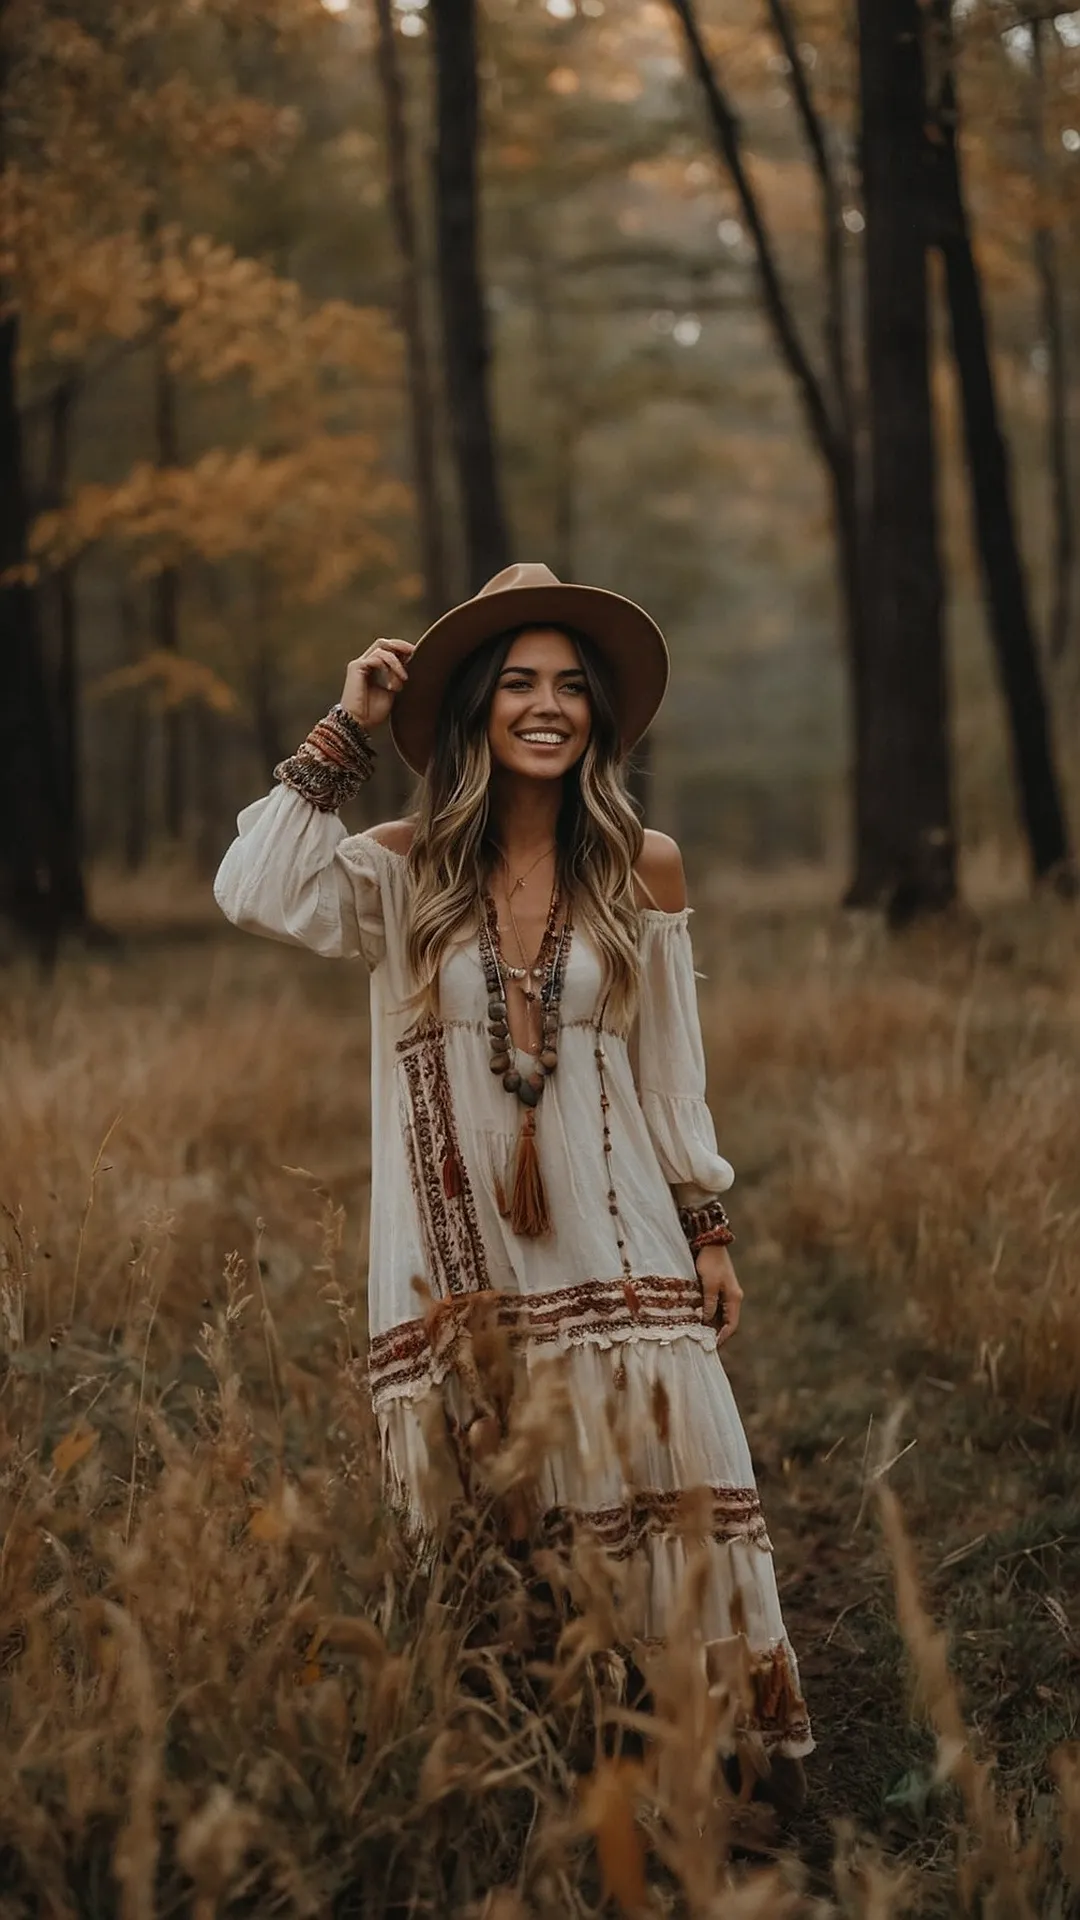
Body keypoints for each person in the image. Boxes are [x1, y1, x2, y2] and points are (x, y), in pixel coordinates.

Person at [214, 561, 813, 1791]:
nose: (550, 706)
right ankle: (534, 1772)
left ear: (597, 714)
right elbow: (253, 889)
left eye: (573, 687)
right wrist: (350, 725)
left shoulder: (640, 863)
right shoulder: (402, 868)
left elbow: (665, 1072)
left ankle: (697, 1776)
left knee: (659, 1484)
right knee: (499, 1504)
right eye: (521, 683)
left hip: (623, 1236)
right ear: (480, 705)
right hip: (459, 1261)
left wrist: (709, 1224)